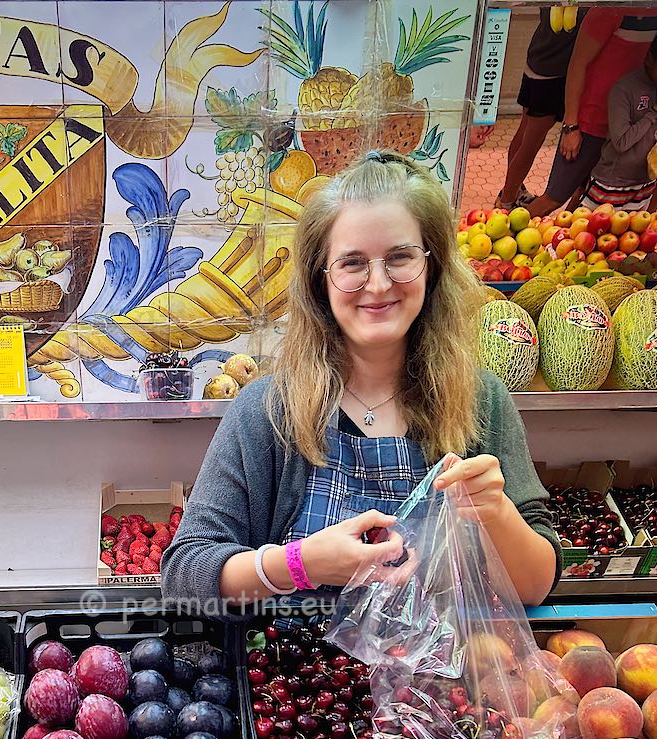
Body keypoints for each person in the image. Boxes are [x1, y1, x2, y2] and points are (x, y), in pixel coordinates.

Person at [161, 151, 559, 612]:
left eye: (400, 257)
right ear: (320, 281)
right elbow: (183, 578)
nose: (377, 284)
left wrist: (497, 513)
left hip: (443, 679)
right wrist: (298, 565)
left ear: (432, 267)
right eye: (352, 263)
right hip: (298, 681)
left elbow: (535, 586)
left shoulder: (481, 400)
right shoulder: (267, 410)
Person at [528, 6, 657, 217]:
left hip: (632, 126)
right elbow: (578, 64)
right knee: (554, 198)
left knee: (584, 197)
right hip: (591, 122)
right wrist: (571, 125)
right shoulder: (608, 10)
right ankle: (507, 237)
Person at [495, 6, 585, 210]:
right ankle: (507, 202)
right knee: (532, 141)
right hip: (553, 72)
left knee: (525, 132)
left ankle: (512, 190)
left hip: (537, 61)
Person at [580, 36, 657, 211]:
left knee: (638, 237)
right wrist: (652, 114)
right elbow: (621, 142)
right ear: (650, 58)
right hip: (611, 186)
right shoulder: (624, 89)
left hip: (645, 186)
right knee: (590, 235)